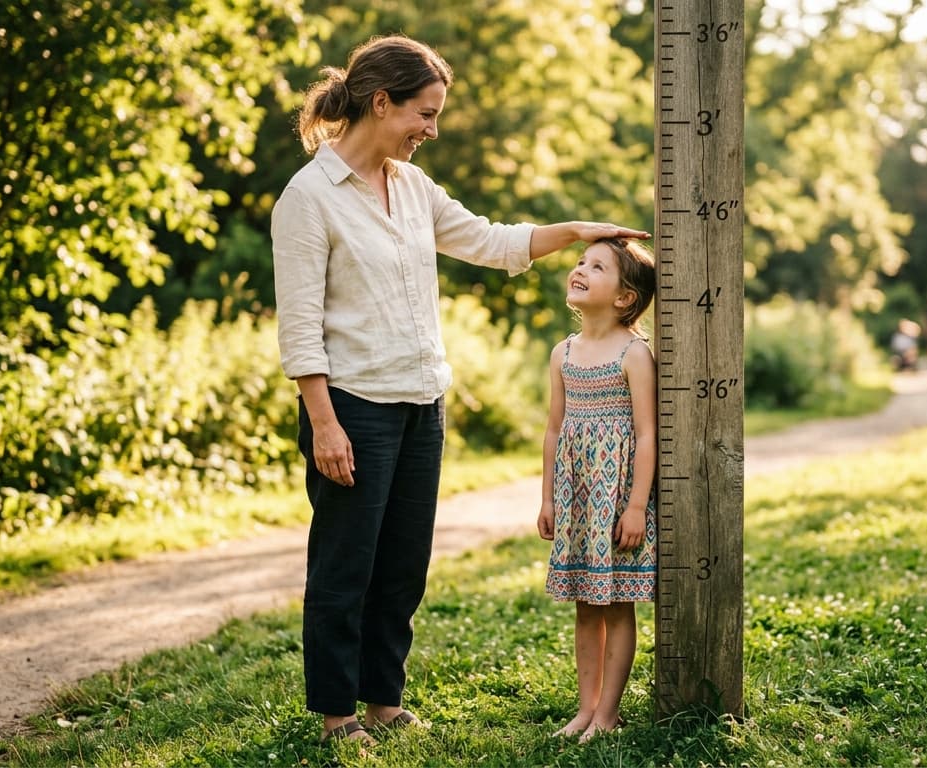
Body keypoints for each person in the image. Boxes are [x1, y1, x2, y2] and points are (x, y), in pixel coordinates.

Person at [270, 34, 650, 747]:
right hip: (353, 406)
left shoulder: (411, 188)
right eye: (425, 113)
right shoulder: (309, 198)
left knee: (403, 565)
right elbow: (301, 329)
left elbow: (491, 241)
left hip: (422, 403)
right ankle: (336, 714)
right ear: (380, 103)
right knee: (345, 566)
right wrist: (324, 423)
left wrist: (577, 232)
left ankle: (384, 700)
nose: (432, 131)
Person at [536, 238, 658, 743]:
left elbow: (648, 433)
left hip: (617, 498)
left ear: (625, 296)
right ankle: (586, 710)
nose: (580, 268)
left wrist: (635, 507)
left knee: (616, 603)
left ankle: (609, 711)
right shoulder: (563, 352)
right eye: (581, 261)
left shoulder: (634, 354)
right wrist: (547, 499)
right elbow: (553, 429)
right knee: (586, 605)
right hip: (576, 499)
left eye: (597, 266)